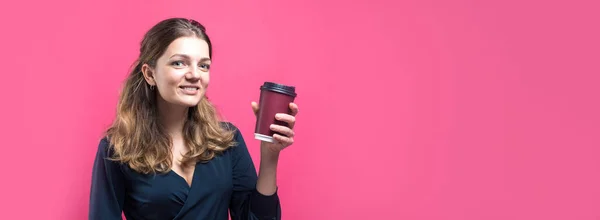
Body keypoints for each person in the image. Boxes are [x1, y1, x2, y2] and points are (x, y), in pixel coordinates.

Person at [88, 18, 299, 220]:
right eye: (179, 63)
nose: (194, 74)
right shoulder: (116, 148)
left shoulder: (227, 140)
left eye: (204, 65)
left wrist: (270, 156)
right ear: (150, 74)